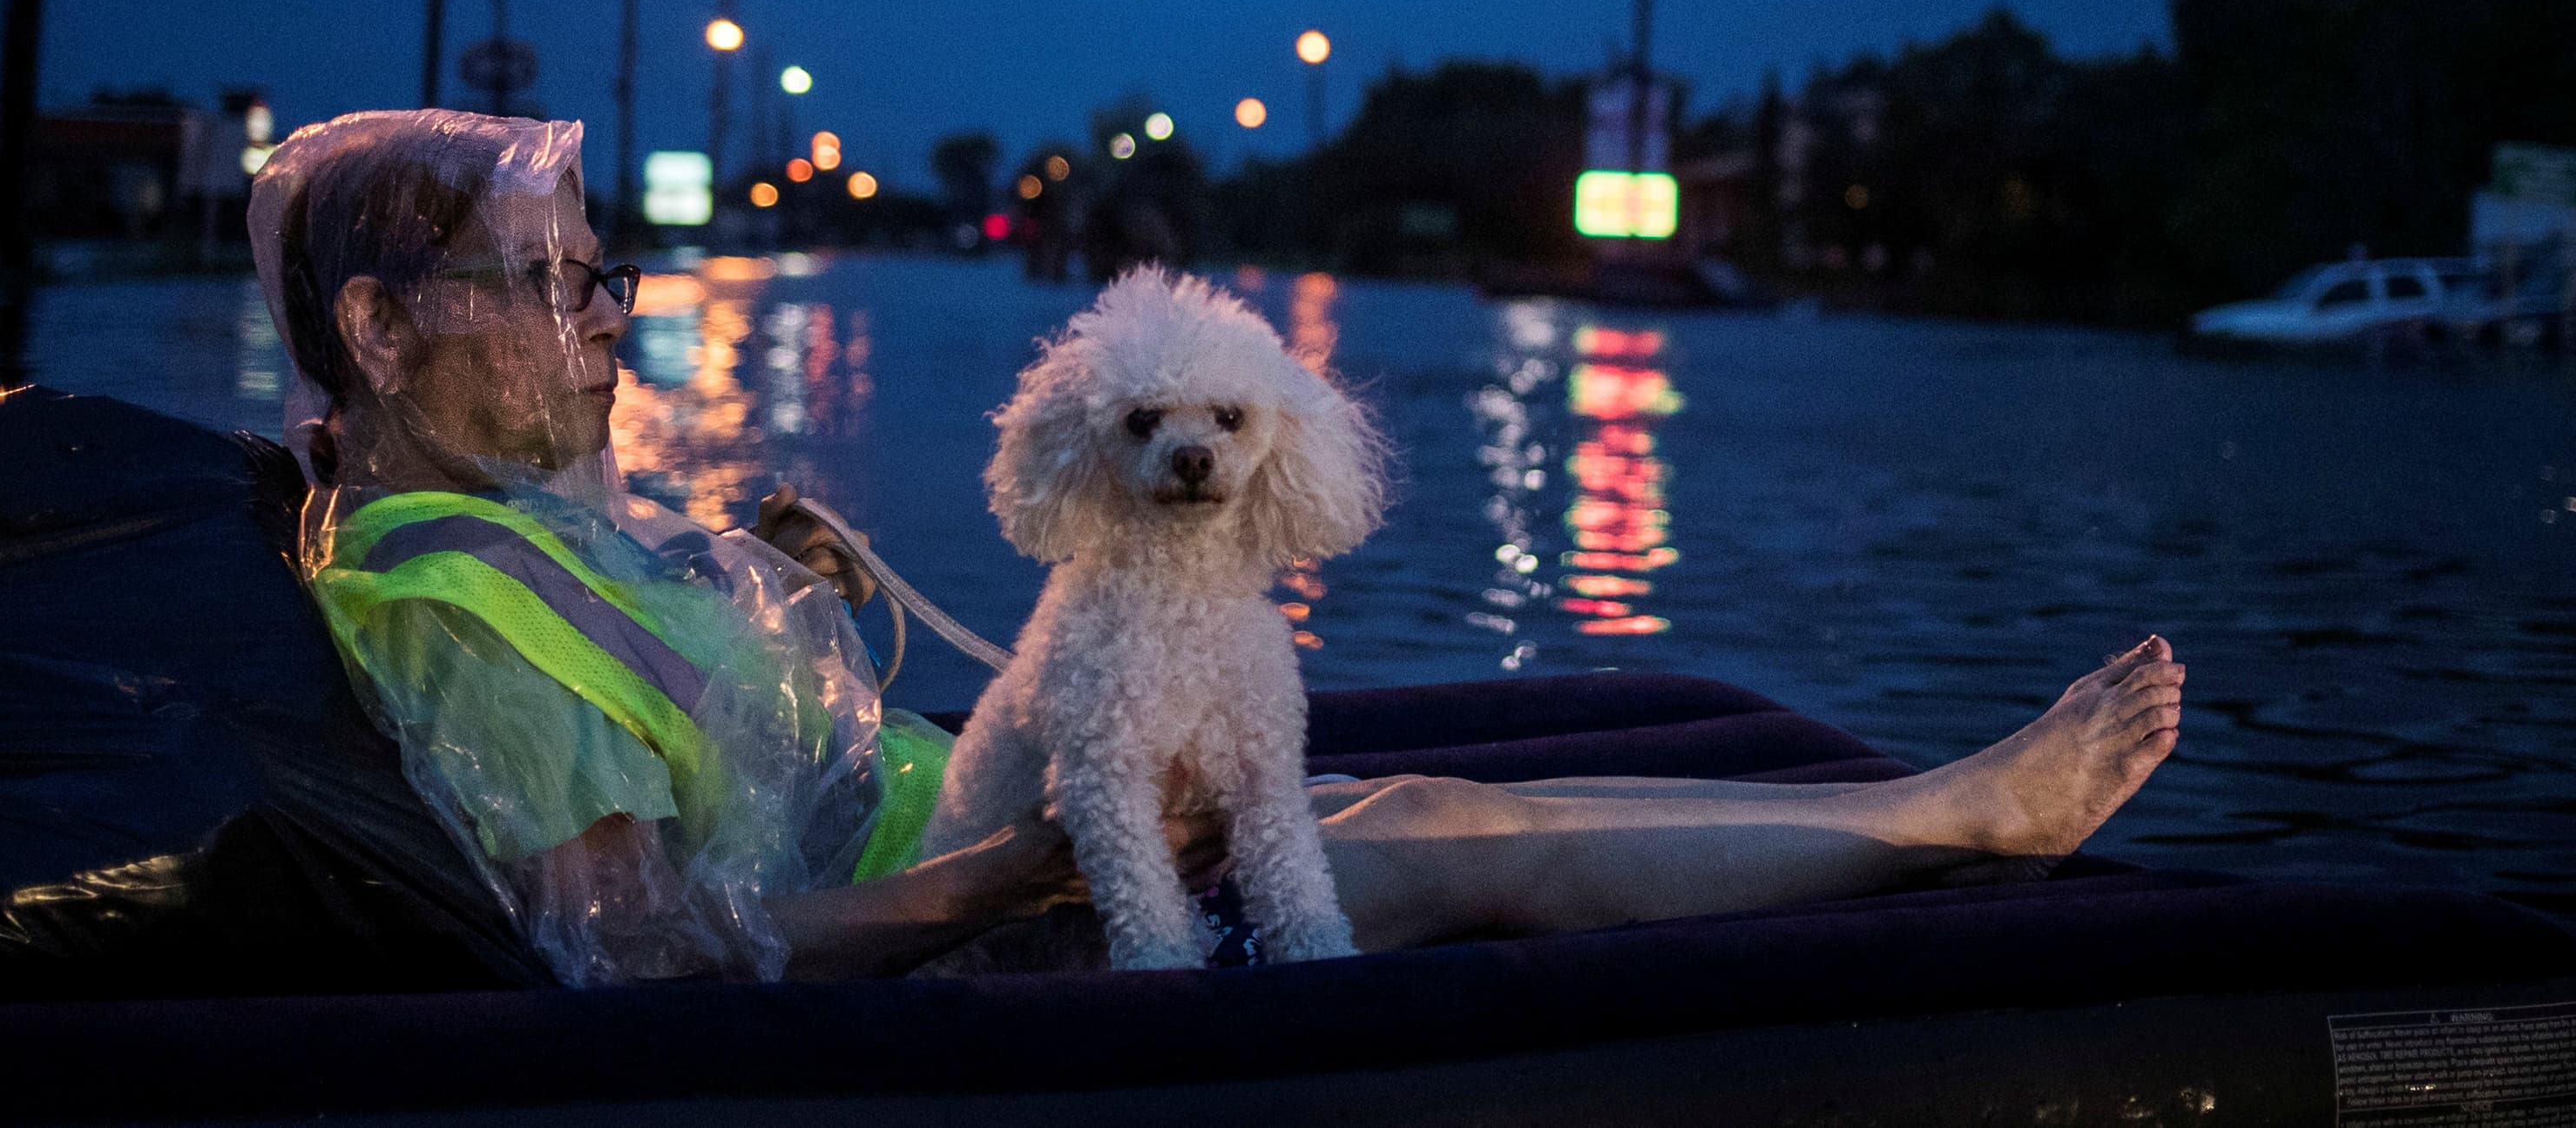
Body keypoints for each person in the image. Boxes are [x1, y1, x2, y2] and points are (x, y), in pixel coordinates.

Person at [251, 111, 2187, 983]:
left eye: (607, 273)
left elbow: (721, 772)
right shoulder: (447, 600)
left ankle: (1928, 814)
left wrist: (805, 594)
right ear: (385, 330)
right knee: (1413, 824)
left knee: (1409, 776)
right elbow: (651, 960)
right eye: (558, 279)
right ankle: (1963, 822)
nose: (612, 314)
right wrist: (1009, 876)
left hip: (945, 833)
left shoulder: (508, 525)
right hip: (953, 936)